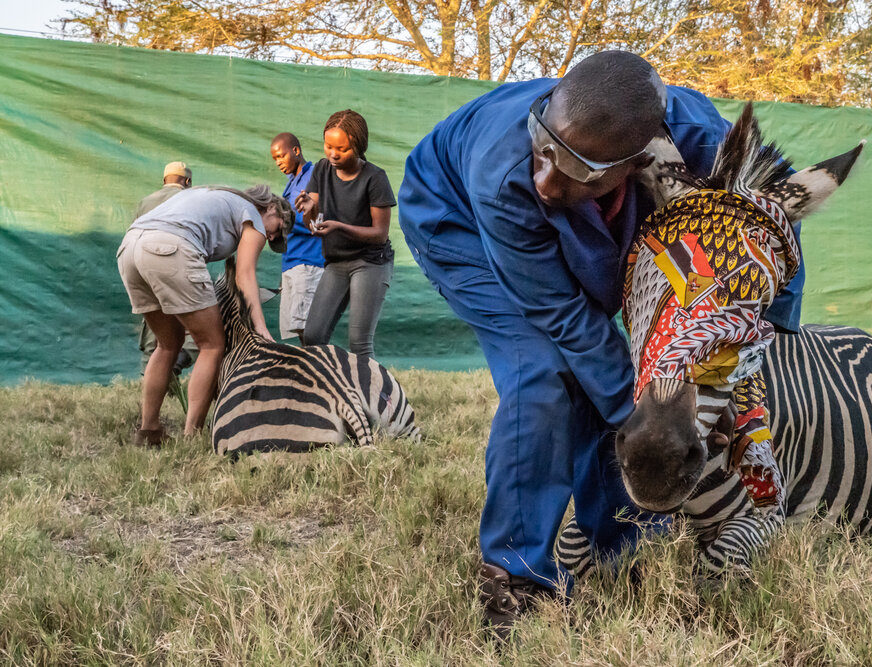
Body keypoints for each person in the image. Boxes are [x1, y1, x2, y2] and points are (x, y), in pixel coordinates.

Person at [397, 51, 804, 634]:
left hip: (615, 210)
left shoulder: (699, 142)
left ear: (642, 159)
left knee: (623, 370)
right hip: (455, 216)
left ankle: (622, 547)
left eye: (577, 169)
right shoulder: (506, 174)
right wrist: (639, 411)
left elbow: (770, 226)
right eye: (545, 146)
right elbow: (561, 315)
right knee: (544, 372)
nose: (546, 178)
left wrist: (771, 335)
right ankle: (513, 575)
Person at [117, 184, 292, 446]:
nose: (270, 236)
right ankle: (192, 436)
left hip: (130, 248)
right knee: (212, 344)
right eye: (277, 228)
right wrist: (261, 327)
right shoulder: (253, 216)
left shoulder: (213, 194)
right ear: (271, 208)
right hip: (169, 247)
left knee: (168, 344)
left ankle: (149, 431)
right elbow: (245, 275)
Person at [295, 110, 396, 359]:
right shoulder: (321, 169)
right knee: (313, 336)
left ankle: (373, 396)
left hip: (370, 262)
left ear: (359, 147)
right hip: (337, 262)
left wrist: (339, 227)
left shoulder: (375, 178)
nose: (333, 154)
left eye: (342, 148)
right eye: (328, 146)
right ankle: (325, 394)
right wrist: (308, 211)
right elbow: (314, 220)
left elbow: (380, 234)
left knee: (359, 343)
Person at [136, 161, 199, 371]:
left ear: (164, 180)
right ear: (187, 181)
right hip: (178, 267)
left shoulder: (145, 202)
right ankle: (178, 362)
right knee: (201, 327)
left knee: (154, 327)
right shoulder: (190, 199)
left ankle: (147, 378)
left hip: (144, 270)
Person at [270, 133, 325, 340]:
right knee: (298, 330)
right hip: (290, 260)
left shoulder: (313, 176)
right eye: (275, 159)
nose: (278, 162)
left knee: (309, 330)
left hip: (308, 261)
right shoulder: (291, 183)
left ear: (296, 150)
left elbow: (318, 221)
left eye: (281, 156)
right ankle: (311, 370)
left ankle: (320, 370)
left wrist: (281, 221)